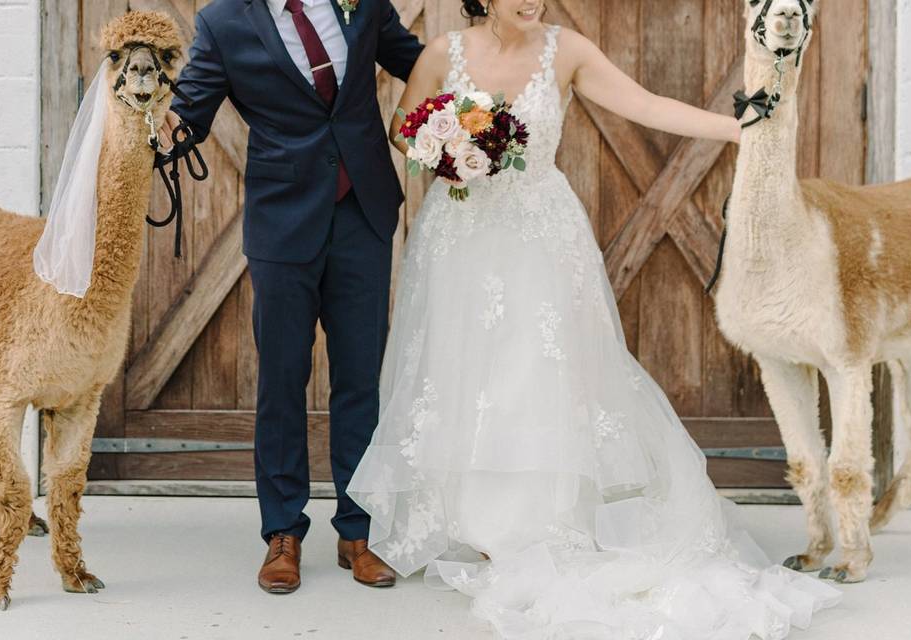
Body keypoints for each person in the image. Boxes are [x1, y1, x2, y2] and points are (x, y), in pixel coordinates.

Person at [346, 1, 840, 637]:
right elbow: (402, 128)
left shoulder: (567, 49)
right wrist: (444, 140)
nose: (532, 1)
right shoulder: (443, 53)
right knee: (465, 370)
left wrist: (739, 127)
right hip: (460, 236)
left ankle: (535, 518)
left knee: (535, 371)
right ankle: (476, 520)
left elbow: (644, 104)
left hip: (540, 234)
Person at [160, 0, 423, 593]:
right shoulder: (223, 21)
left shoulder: (364, 3)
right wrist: (155, 123)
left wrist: (477, 108)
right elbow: (190, 111)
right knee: (281, 379)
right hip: (282, 223)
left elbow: (421, 65)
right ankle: (283, 532)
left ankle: (358, 532)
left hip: (364, 215)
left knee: (360, 377)